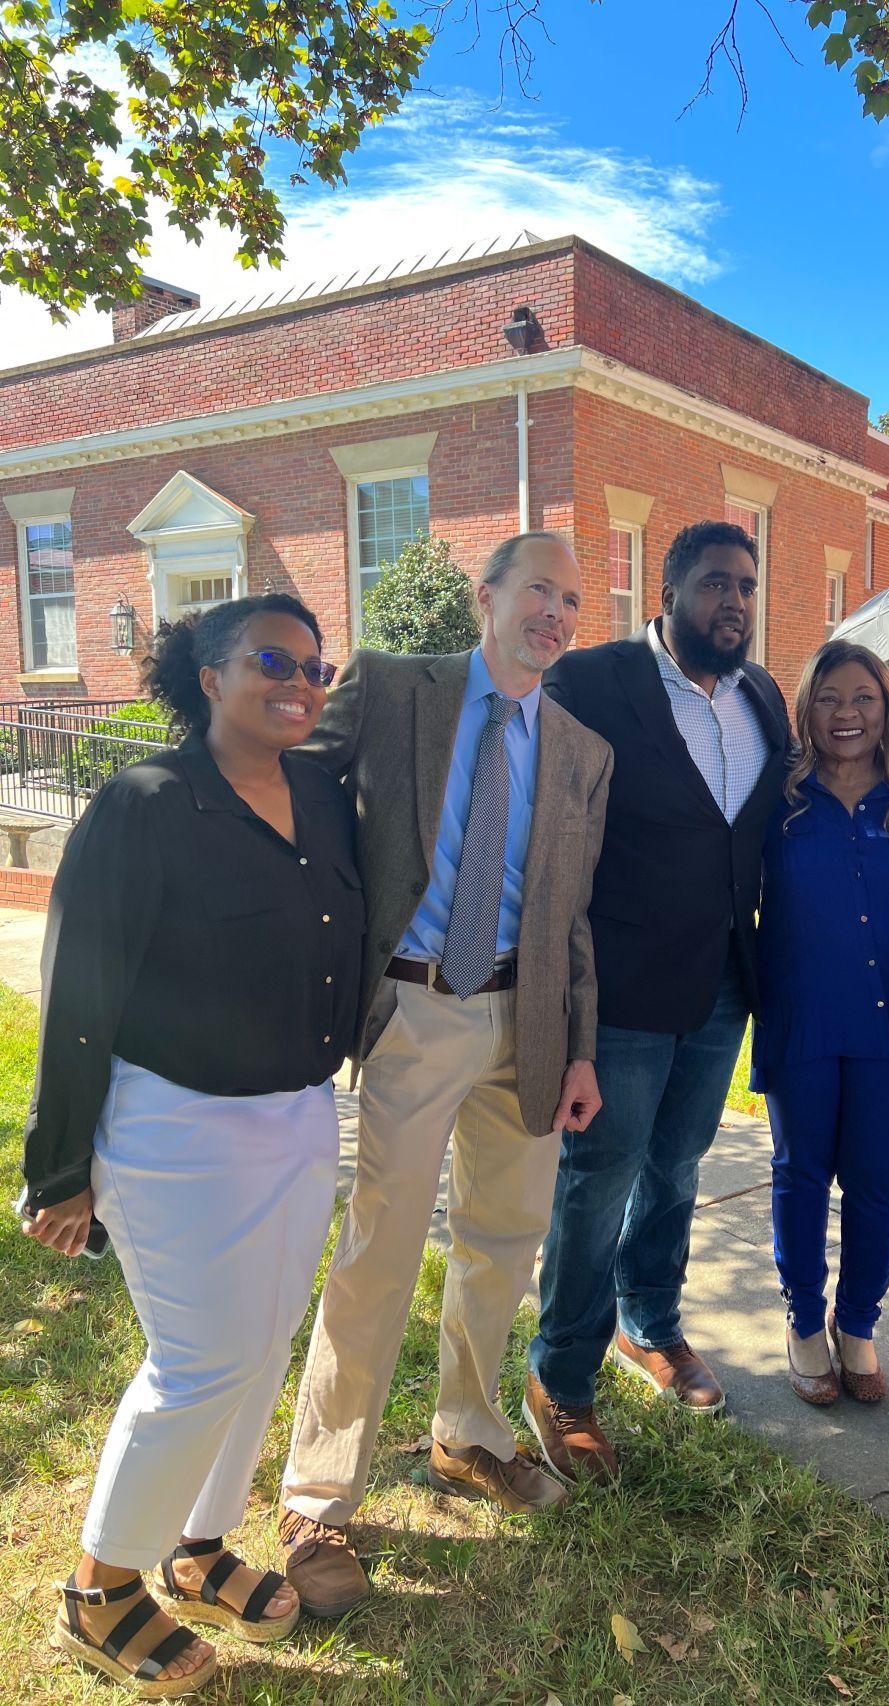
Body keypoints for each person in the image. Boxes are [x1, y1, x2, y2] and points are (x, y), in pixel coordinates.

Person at [23, 595, 361, 1696]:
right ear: (207, 676)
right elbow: (80, 989)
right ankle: (97, 1588)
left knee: (262, 1347)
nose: (300, 677)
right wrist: (59, 1166)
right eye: (273, 658)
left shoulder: (321, 790)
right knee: (199, 1360)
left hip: (300, 1115)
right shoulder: (143, 805)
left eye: (315, 662)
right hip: (175, 1125)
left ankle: (200, 1542)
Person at [277, 531, 612, 1618]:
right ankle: (318, 1494)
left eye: (571, 598)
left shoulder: (580, 749)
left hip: (529, 1018)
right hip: (417, 1003)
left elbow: (571, 916)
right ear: (487, 595)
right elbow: (289, 799)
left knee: (503, 1242)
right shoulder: (393, 686)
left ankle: (467, 1431)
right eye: (537, 590)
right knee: (380, 1244)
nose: (554, 612)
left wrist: (580, 1047)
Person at [524, 519, 789, 1481]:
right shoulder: (591, 683)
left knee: (677, 1164)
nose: (735, 602)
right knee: (598, 1179)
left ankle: (651, 1323)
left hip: (723, 985)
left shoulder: (761, 695)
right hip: (621, 991)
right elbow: (541, 822)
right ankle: (561, 1375)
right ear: (667, 595)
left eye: (748, 586)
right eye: (716, 584)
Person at [751, 641, 889, 1406]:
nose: (846, 714)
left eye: (862, 698)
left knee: (877, 1182)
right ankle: (803, 1325)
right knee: (800, 1175)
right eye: (828, 699)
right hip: (801, 1017)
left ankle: (858, 1325)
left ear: (886, 708)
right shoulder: (776, 801)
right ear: (805, 712)